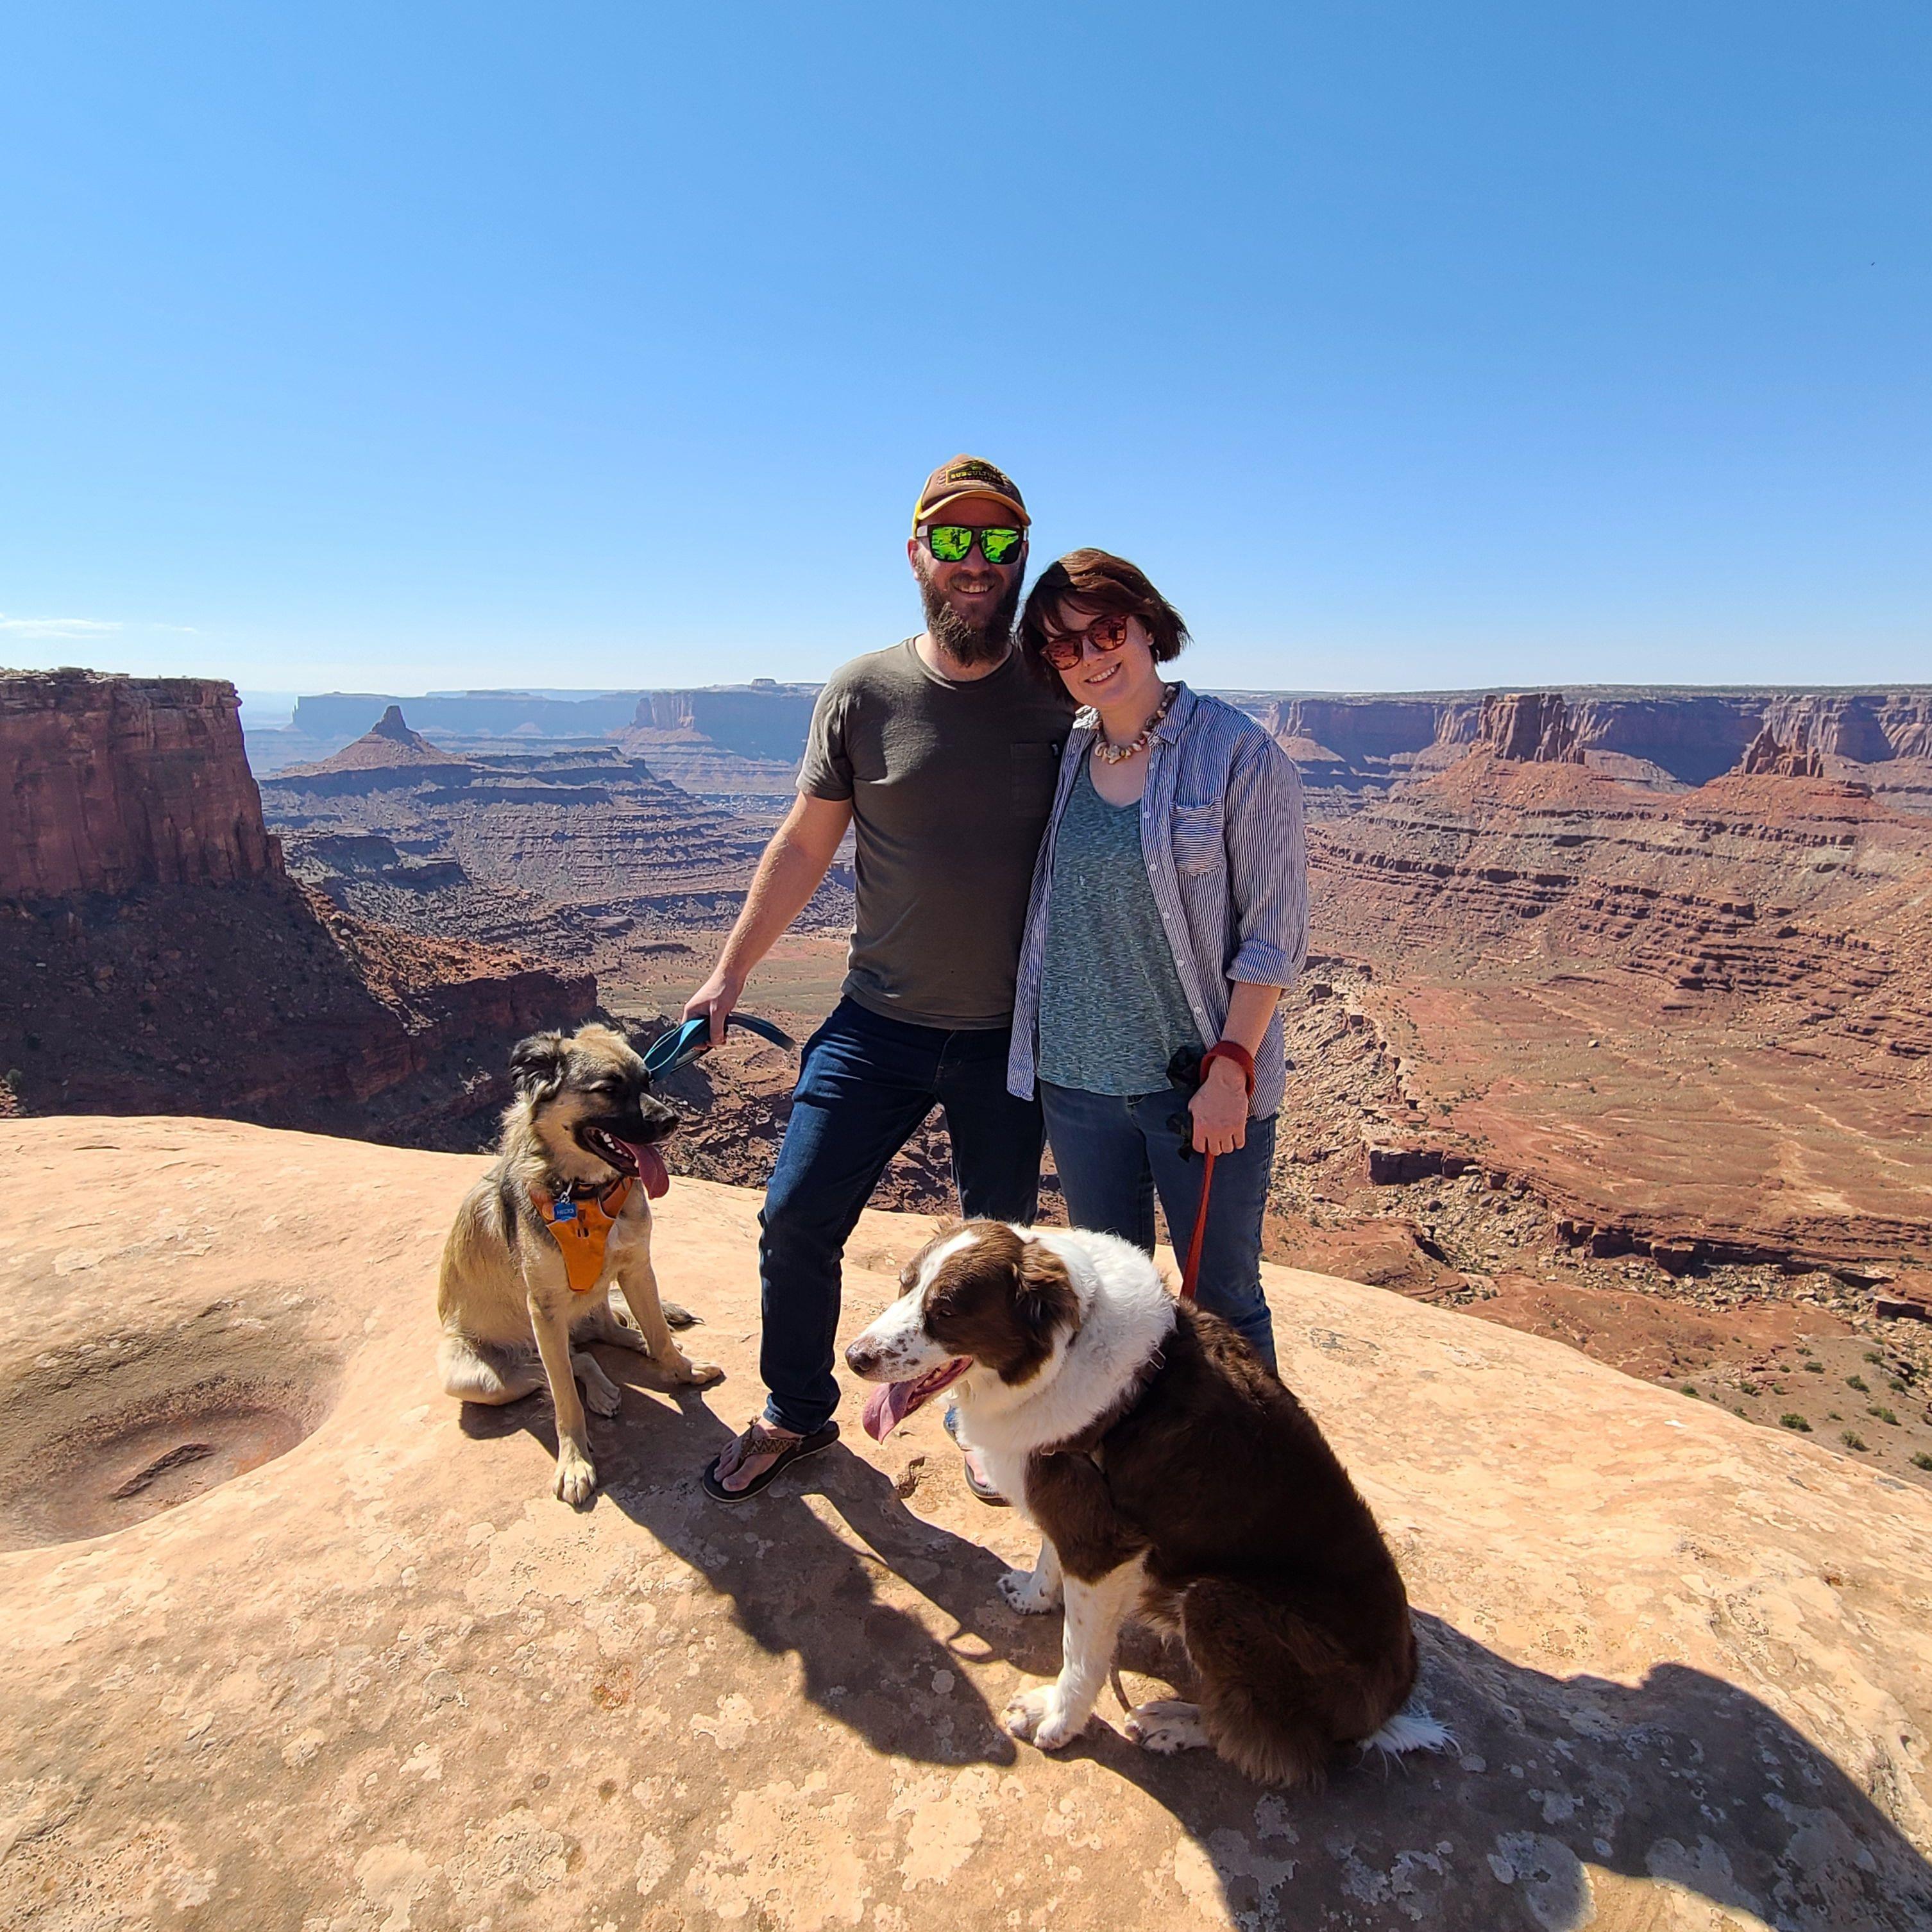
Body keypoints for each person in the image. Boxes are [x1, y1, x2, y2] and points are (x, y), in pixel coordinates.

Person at [685, 456, 1072, 1500]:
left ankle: (984, 1420)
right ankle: (795, 1411)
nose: (975, 561)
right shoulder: (863, 691)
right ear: (916, 555)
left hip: (1008, 1039)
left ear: (1020, 556)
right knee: (796, 1218)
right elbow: (805, 843)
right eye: (953, 539)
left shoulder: (1057, 689)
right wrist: (728, 973)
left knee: (998, 1259)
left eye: (998, 541)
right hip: (877, 1023)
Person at [1008, 549, 1308, 1370]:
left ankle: (1251, 1453)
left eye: (1105, 630)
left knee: (1222, 1301)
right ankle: (1133, 1448)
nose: (1089, 657)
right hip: (1077, 1084)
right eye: (1063, 646)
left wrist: (1232, 1069)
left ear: (1146, 623)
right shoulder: (1069, 754)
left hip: (1198, 1088)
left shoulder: (1239, 753)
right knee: (1114, 1301)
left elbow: (1275, 935)